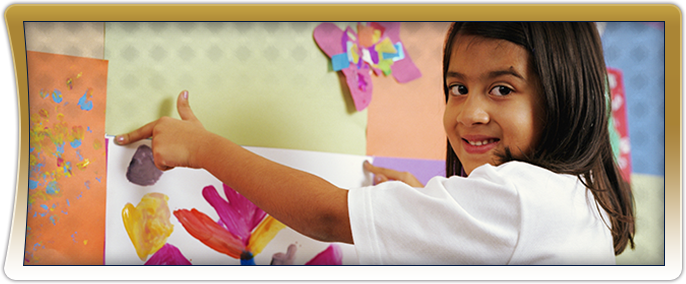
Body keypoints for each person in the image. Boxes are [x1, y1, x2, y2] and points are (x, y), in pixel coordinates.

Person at [115, 22, 635, 265]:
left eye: (502, 89)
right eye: (457, 88)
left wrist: (202, 148)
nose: (471, 112)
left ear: (566, 95)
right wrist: (427, 211)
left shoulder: (521, 198)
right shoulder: (579, 199)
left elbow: (322, 215)